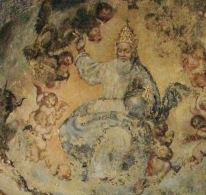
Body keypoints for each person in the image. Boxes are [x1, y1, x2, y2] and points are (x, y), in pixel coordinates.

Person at [59, 23, 159, 181]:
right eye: (120, 50)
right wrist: (80, 50)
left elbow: (149, 91)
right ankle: (88, 168)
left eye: (126, 50)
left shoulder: (138, 71)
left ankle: (106, 172)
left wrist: (139, 100)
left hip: (125, 111)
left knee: (119, 137)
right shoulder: (109, 67)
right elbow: (91, 71)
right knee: (71, 127)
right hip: (103, 107)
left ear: (132, 51)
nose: (122, 54)